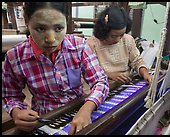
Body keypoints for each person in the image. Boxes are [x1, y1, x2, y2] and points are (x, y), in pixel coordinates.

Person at [2, 2, 109, 135]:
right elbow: (10, 95)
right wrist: (17, 112)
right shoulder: (15, 57)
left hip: (80, 111)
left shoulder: (79, 46)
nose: (51, 39)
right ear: (27, 20)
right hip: (45, 120)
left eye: (58, 28)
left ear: (67, 22)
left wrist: (87, 109)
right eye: (40, 29)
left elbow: (100, 81)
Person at [86, 5, 152, 90]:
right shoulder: (91, 45)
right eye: (113, 36)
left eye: (121, 35)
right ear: (104, 31)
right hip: (102, 89)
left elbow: (137, 61)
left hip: (124, 85)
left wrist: (145, 74)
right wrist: (110, 75)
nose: (118, 39)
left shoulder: (127, 40)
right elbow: (88, 72)